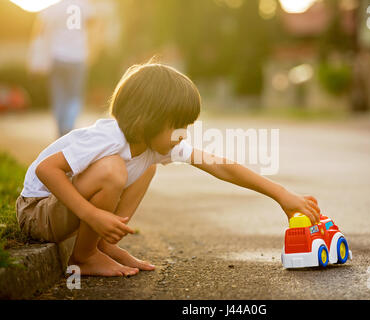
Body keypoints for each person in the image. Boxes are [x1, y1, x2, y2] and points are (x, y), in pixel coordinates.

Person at [15, 60, 321, 277]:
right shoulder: (107, 138)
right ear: (146, 119)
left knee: (147, 167)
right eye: (177, 125)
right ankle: (84, 256)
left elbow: (220, 165)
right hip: (37, 212)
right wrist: (92, 214)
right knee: (112, 171)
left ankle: (102, 245)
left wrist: (281, 195)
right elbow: (46, 170)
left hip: (62, 211)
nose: (183, 134)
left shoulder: (154, 145)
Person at [33, 0, 95, 137]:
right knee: (75, 96)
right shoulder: (84, 5)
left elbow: (40, 31)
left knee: (59, 96)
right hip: (78, 57)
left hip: (57, 57)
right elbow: (95, 28)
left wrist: (38, 56)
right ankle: (68, 126)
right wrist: (92, 51)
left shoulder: (52, 7)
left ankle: (61, 130)